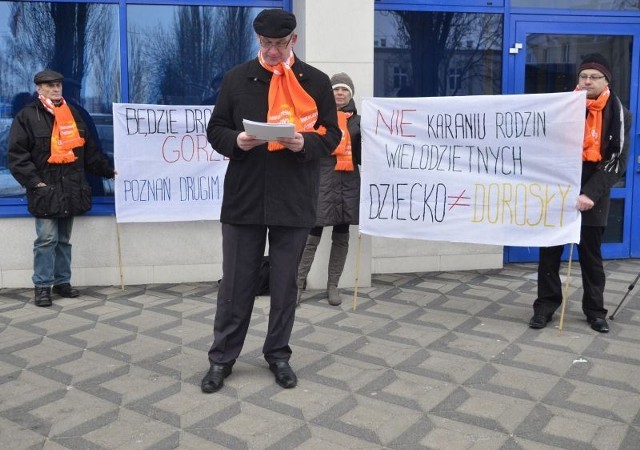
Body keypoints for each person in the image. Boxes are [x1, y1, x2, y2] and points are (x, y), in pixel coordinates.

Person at [201, 9, 341, 393]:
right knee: (236, 285)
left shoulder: (315, 81)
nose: (274, 51)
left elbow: (331, 134)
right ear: (257, 40)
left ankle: (278, 354)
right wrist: (237, 141)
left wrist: (304, 142)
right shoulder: (236, 79)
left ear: (293, 41)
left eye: (280, 44)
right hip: (244, 198)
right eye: (267, 44)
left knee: (284, 287)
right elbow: (215, 129)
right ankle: (221, 359)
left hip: (293, 198)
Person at [529, 54, 631, 333]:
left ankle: (595, 311)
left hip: (594, 194)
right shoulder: (561, 107)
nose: (587, 81)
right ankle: (545, 307)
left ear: (606, 80)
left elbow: (616, 161)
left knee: (591, 256)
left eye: (594, 77)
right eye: (583, 76)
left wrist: (590, 194)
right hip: (559, 188)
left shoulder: (620, 114)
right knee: (549, 252)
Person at [7, 70, 116, 307]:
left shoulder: (73, 115)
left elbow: (88, 153)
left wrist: (109, 171)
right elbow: (17, 156)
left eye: (58, 85)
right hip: (45, 190)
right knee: (46, 239)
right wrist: (35, 182)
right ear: (39, 89)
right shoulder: (27, 116)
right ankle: (42, 286)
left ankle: (62, 282)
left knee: (64, 239)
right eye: (50, 86)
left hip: (70, 189)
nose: (56, 89)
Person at [296, 72, 361, 306]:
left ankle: (333, 285)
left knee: (341, 238)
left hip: (347, 184)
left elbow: (363, 155)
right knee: (312, 236)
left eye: (344, 90)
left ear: (351, 94)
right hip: (322, 181)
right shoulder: (318, 119)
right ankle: (297, 285)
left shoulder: (359, 122)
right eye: (336, 89)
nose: (340, 93)